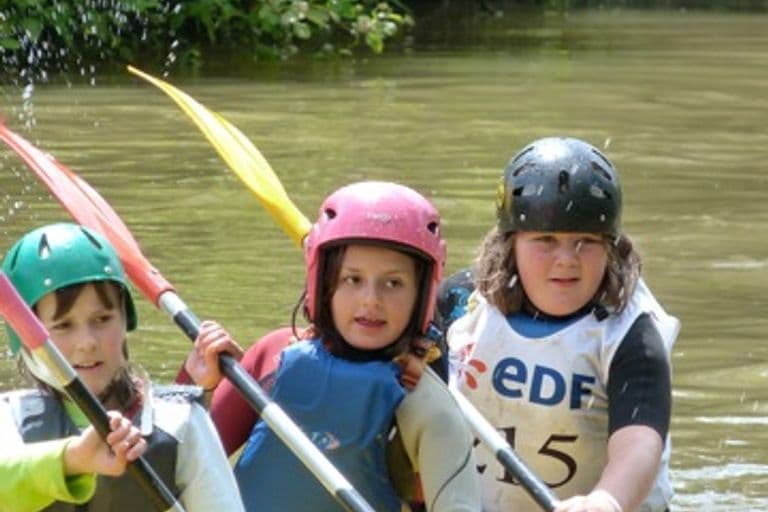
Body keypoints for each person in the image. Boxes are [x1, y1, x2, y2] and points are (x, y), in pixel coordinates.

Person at [183, 181, 481, 512]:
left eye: (393, 283)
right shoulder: (272, 356)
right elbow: (171, 475)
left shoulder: (426, 406)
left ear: (422, 295)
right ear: (323, 284)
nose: (371, 300)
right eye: (353, 279)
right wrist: (199, 389)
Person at [444, 137, 679, 512]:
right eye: (546, 239)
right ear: (510, 243)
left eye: (586, 241)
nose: (567, 259)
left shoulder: (632, 334)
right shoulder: (460, 304)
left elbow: (640, 441)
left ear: (611, 246)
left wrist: (606, 501)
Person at [0, 222, 245, 512]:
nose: (88, 342)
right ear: (26, 340)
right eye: (63, 325)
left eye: (102, 319)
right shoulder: (9, 419)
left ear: (125, 320)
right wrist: (73, 459)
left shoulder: (180, 421)